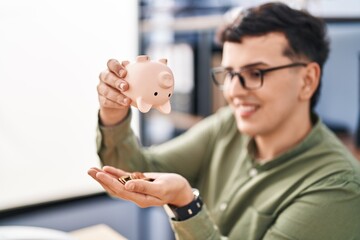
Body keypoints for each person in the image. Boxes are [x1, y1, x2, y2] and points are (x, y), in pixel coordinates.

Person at [88, 2, 360, 239]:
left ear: (308, 80)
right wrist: (115, 114)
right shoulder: (229, 124)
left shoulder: (338, 188)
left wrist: (187, 205)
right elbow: (134, 171)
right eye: (229, 73)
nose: (233, 91)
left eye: (255, 73)